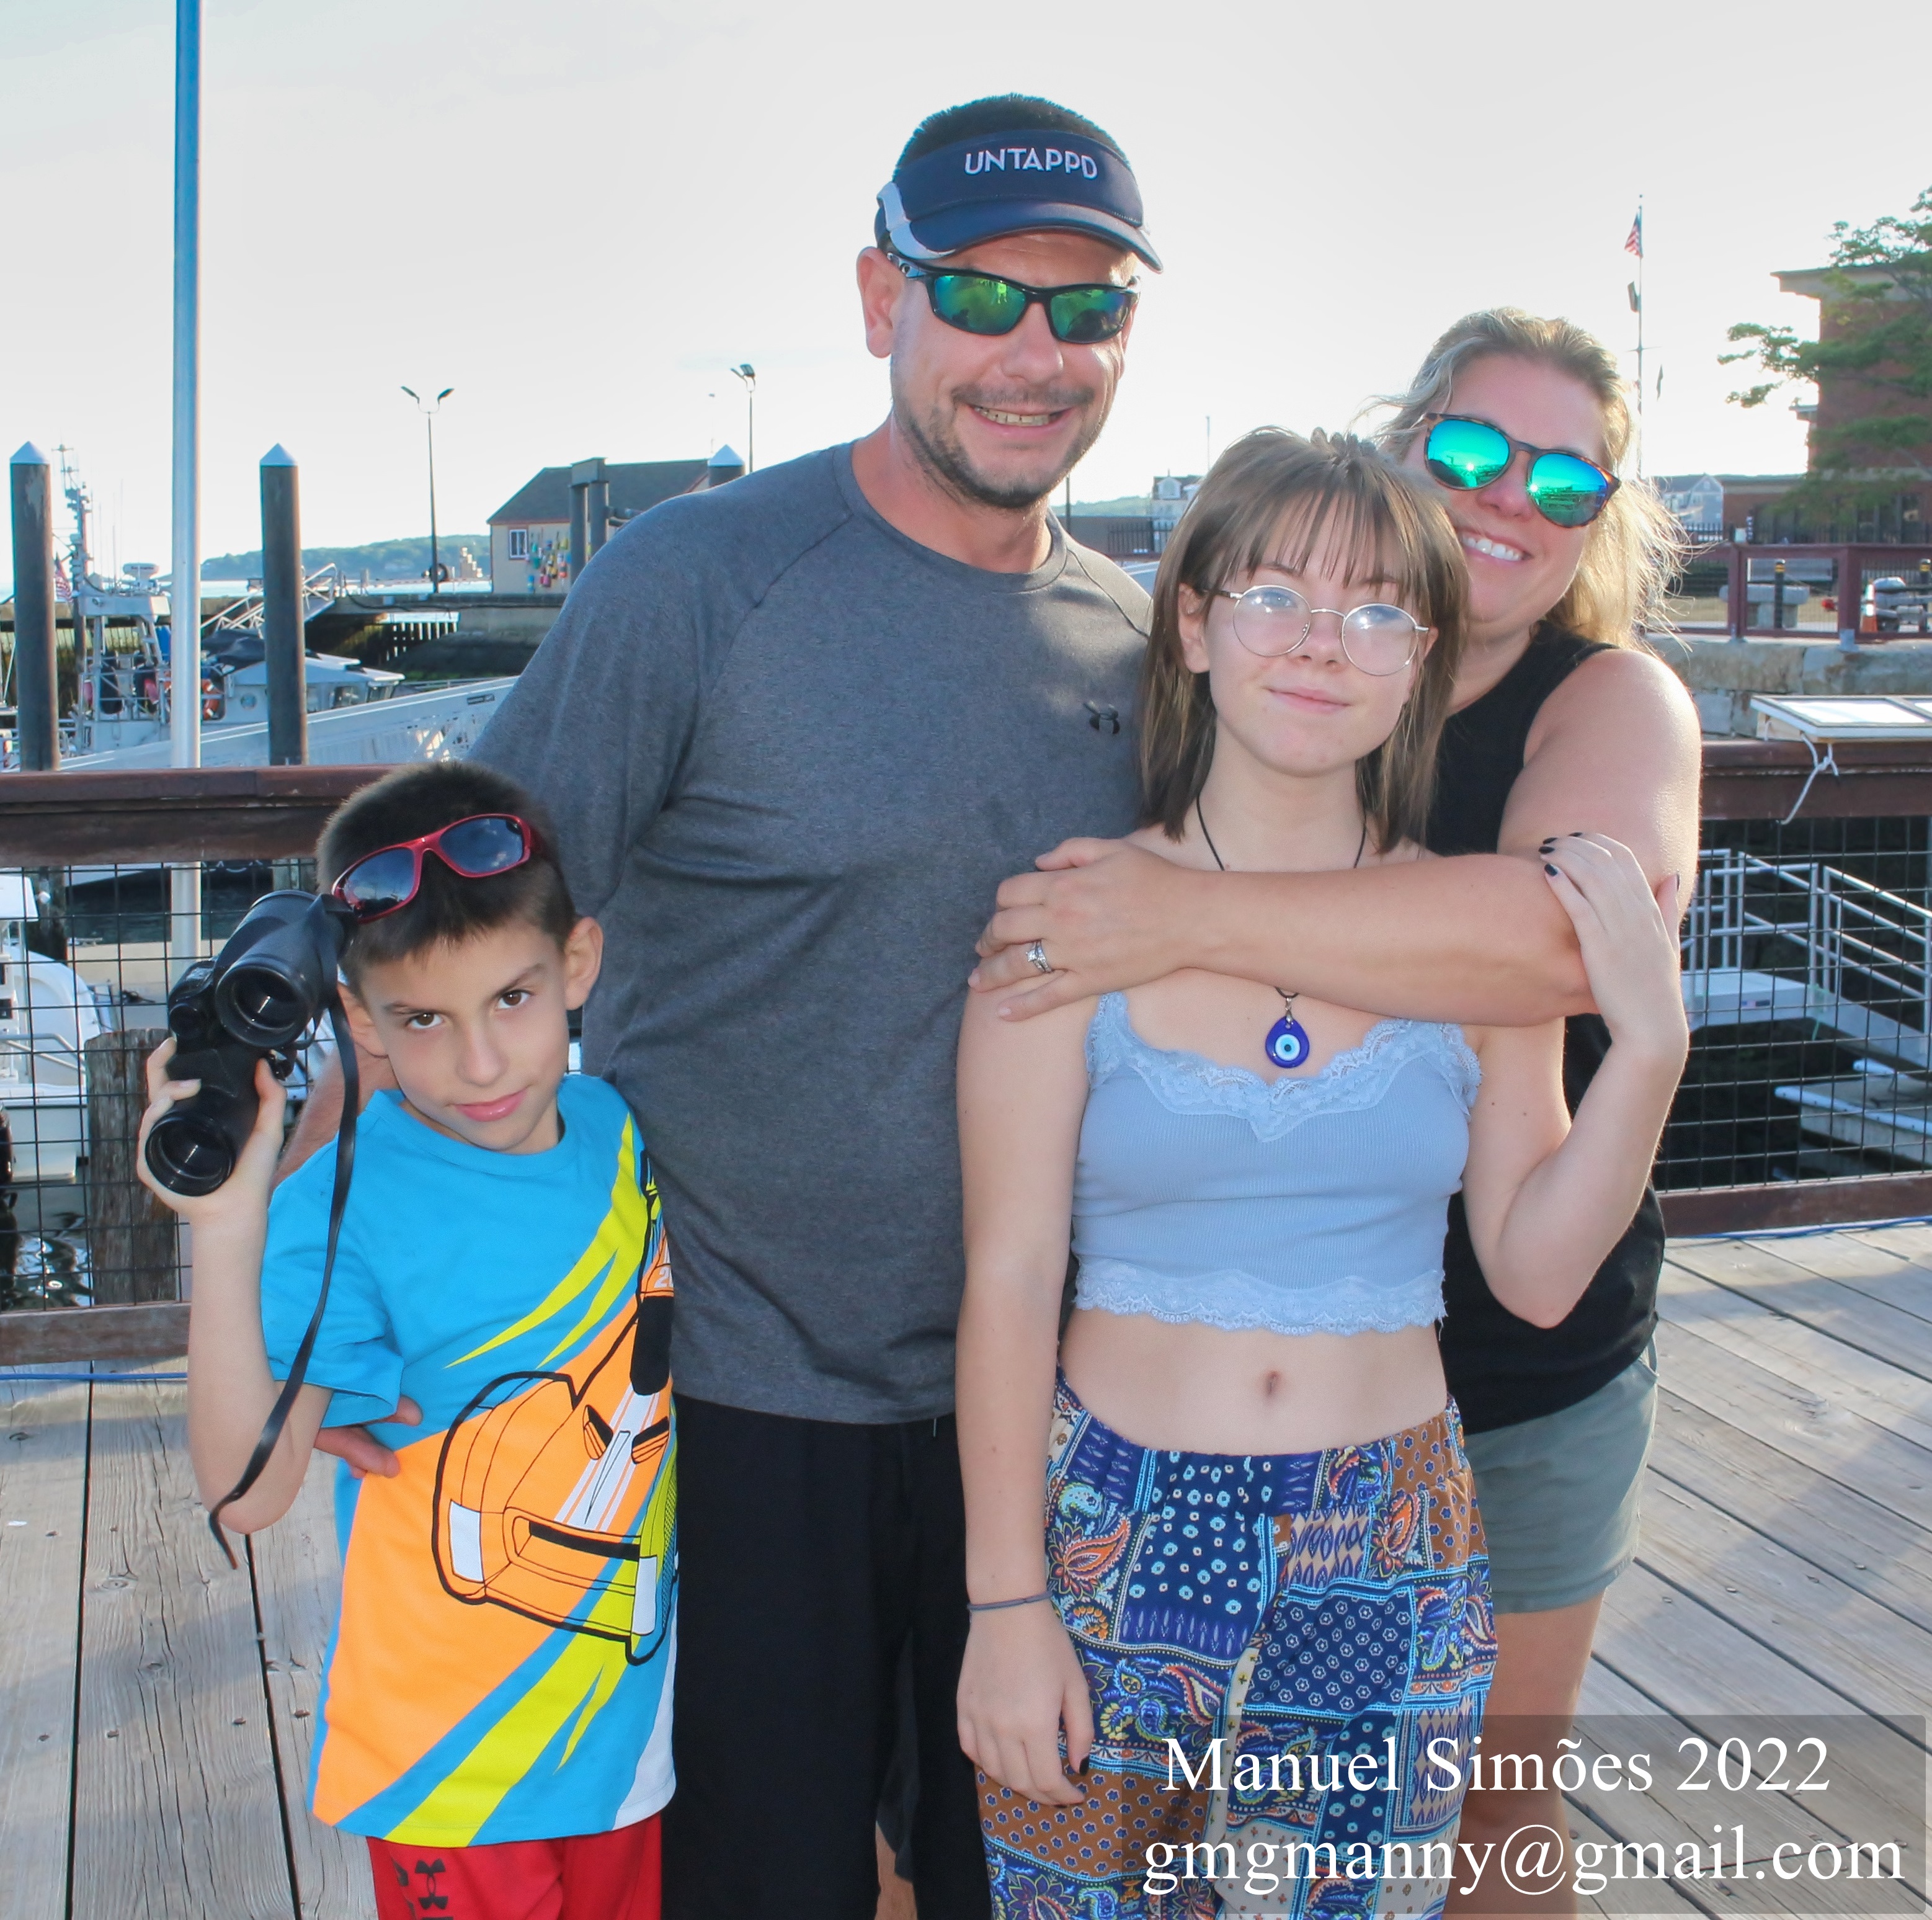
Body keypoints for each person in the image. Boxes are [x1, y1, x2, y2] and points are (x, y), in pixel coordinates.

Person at [438, 94, 1159, 1920]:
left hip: (1053, 1410)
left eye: (1086, 308)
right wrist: (377, 1321)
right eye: (980, 294)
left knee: (1034, 1882)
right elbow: (460, 930)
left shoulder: (1150, 649)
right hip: (730, 1412)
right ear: (878, 298)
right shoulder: (694, 581)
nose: (1034, 352)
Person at [968, 311, 1699, 1913]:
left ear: (1421, 655)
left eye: (1376, 610)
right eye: (1275, 597)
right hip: (1114, 1523)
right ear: (1189, 625)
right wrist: (1004, 1605)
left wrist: (1647, 1051)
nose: (1321, 643)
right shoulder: (1068, 920)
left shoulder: (1467, 949)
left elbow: (1533, 1273)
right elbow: (1008, 1277)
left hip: (1392, 1531)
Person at [137, 763, 674, 1920]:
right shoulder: (343, 1213)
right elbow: (245, 1495)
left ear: (578, 963)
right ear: (363, 1022)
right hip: (450, 1773)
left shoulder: (617, 1129)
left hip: (628, 1759)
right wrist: (225, 1228)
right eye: (423, 1019)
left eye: (513, 999)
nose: (479, 1063)